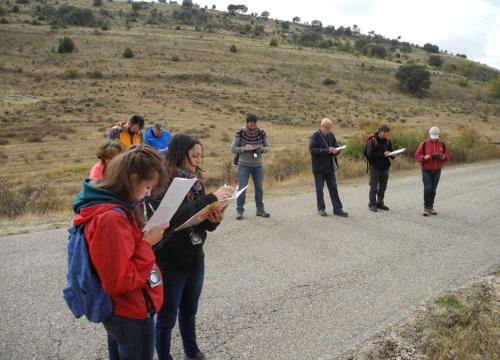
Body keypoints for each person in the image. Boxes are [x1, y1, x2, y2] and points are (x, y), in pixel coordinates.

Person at [72, 145, 169, 360]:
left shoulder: (116, 206)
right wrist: (146, 243)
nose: (148, 194)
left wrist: (140, 239)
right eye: (147, 187)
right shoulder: (112, 218)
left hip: (125, 311)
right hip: (130, 312)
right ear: (132, 178)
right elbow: (119, 281)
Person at [147, 134, 233, 360]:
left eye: (200, 156)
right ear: (179, 154)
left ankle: (192, 352)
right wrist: (212, 197)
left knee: (189, 311)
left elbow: (199, 219)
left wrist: (213, 218)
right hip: (170, 262)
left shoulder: (195, 183)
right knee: (166, 317)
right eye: (194, 156)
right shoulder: (162, 183)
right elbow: (175, 218)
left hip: (195, 257)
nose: (198, 161)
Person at [230, 114, 271, 220]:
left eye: (255, 124)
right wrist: (244, 148)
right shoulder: (240, 132)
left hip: (258, 165)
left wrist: (262, 150)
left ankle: (260, 210)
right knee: (242, 188)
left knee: (259, 188)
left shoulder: (261, 132)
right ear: (247, 123)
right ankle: (240, 211)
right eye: (251, 124)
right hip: (243, 164)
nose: (253, 126)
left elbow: (268, 147)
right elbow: (233, 148)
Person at [309, 118, 348, 217]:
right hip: (319, 168)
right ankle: (321, 209)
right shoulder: (315, 136)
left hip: (330, 167)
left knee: (333, 188)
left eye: (330, 128)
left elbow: (336, 146)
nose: (328, 130)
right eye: (327, 128)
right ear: (322, 126)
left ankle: (337, 209)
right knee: (319, 189)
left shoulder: (331, 135)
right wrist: (327, 150)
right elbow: (312, 150)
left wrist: (337, 150)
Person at [415, 127, 451, 216]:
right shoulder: (424, 144)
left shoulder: (442, 144)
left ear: (439, 136)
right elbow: (417, 155)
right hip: (426, 170)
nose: (434, 139)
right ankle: (426, 208)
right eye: (432, 137)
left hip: (437, 170)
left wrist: (443, 157)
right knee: (428, 188)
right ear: (429, 135)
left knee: (433, 190)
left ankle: (431, 207)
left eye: (436, 137)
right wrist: (424, 157)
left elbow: (448, 156)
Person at [365, 124, 396, 212]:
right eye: (384, 132)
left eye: (387, 132)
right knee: (373, 187)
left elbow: (390, 154)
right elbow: (369, 155)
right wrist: (383, 154)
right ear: (380, 131)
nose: (386, 134)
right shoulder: (373, 140)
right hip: (375, 168)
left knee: (383, 187)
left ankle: (380, 203)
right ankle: (372, 204)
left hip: (385, 168)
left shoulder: (388, 141)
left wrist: (394, 154)